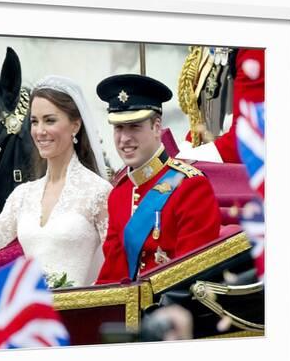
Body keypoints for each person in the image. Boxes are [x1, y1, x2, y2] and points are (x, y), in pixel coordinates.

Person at [0, 75, 112, 287]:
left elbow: (114, 266)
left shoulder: (98, 191)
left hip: (80, 315)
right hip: (33, 315)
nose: (39, 131)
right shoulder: (23, 195)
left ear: (75, 126)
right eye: (34, 121)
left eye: (50, 120)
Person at [95, 74, 221, 284]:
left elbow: (192, 278)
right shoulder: (119, 194)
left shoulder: (190, 186)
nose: (124, 138)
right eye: (118, 128)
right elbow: (112, 278)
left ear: (156, 127)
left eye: (134, 126)